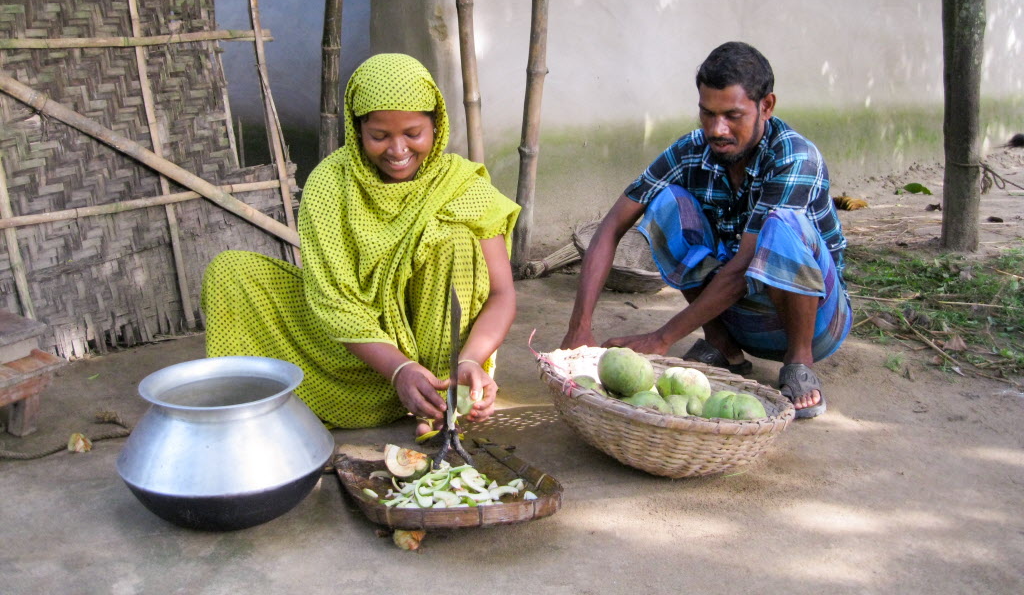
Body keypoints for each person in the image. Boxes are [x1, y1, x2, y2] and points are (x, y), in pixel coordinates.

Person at [201, 53, 520, 432]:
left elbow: (503, 294)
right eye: (379, 136)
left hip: (440, 370)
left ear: (436, 126)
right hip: (356, 352)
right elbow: (333, 300)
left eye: (413, 134)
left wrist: (469, 361)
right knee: (231, 272)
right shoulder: (331, 185)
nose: (398, 150)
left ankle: (438, 399)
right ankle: (271, 406)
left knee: (454, 239)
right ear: (356, 131)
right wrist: (398, 367)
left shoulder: (462, 186)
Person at [561, 41, 850, 419]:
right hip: (740, 314)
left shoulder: (795, 156)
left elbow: (745, 266)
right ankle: (723, 346)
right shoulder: (690, 150)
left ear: (767, 106)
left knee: (781, 226)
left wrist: (661, 338)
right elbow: (612, 226)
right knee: (665, 204)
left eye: (733, 115)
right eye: (707, 114)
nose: (717, 129)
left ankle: (799, 363)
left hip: (816, 321)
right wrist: (579, 327)